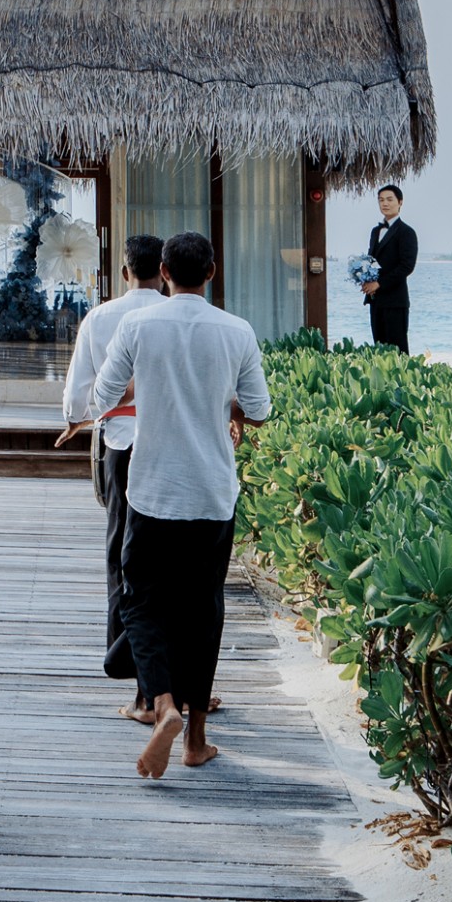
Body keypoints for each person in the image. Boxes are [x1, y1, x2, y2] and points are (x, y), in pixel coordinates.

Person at [93, 230, 271, 782]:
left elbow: (101, 399)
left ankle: (162, 703)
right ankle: (194, 739)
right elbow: (260, 410)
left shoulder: (137, 325)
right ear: (211, 272)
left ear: (163, 273)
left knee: (141, 601)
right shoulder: (237, 330)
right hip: (211, 493)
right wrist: (225, 404)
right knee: (203, 610)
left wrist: (146, 389)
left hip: (152, 490)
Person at [57, 234, 168, 721]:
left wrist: (78, 418)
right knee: (175, 563)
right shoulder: (177, 317)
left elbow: (77, 397)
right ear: (163, 271)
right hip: (173, 445)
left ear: (125, 272)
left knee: (123, 557)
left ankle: (139, 681)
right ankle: (180, 682)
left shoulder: (101, 318)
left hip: (121, 446)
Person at [362, 183, 417, 352]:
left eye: (389, 199)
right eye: (381, 200)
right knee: (379, 350)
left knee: (398, 350)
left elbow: (406, 266)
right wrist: (365, 278)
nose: (385, 203)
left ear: (400, 202)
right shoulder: (375, 231)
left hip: (395, 301)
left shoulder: (406, 232)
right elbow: (372, 259)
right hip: (376, 300)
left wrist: (379, 284)